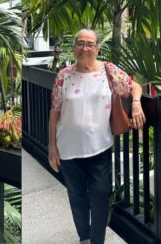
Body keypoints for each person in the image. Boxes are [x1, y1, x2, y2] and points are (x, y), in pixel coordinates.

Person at [48, 29, 146, 244]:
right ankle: (84, 238)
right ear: (74, 47)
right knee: (77, 196)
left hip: (99, 147)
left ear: (97, 49)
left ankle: (97, 240)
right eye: (80, 43)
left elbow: (134, 86)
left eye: (90, 44)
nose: (85, 48)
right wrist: (52, 148)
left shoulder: (108, 71)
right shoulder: (64, 76)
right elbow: (55, 111)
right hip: (68, 149)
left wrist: (137, 104)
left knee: (101, 196)